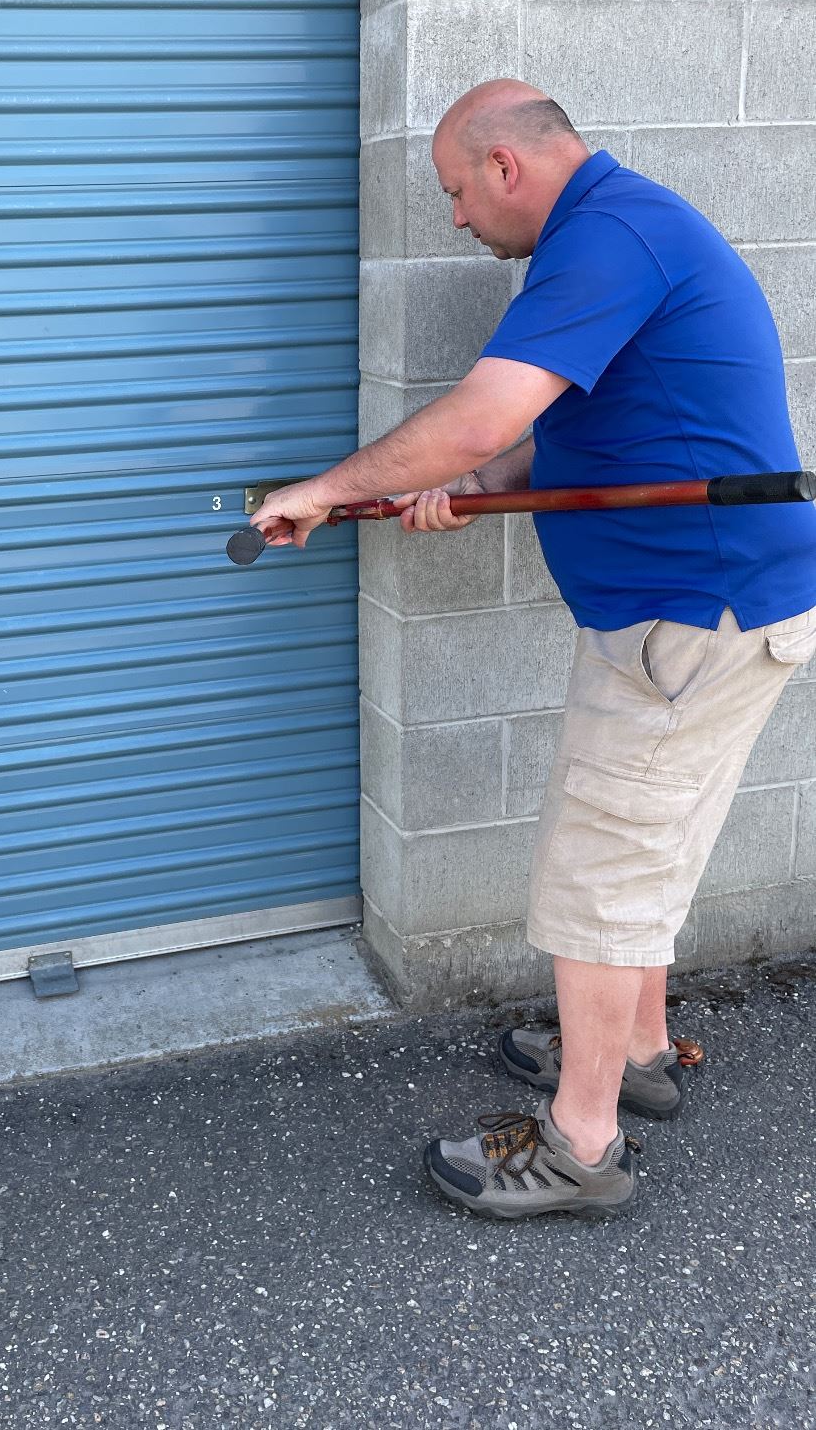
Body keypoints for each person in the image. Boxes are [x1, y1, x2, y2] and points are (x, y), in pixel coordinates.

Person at [250, 79, 816, 1220]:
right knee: (637, 849)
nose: (457, 220)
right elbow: (555, 428)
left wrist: (325, 489)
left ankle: (581, 1142)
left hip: (694, 615)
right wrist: (471, 486)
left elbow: (482, 413)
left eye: (457, 193)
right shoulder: (619, 228)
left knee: (601, 874)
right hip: (696, 608)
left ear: (507, 168)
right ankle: (639, 1051)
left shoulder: (607, 239)